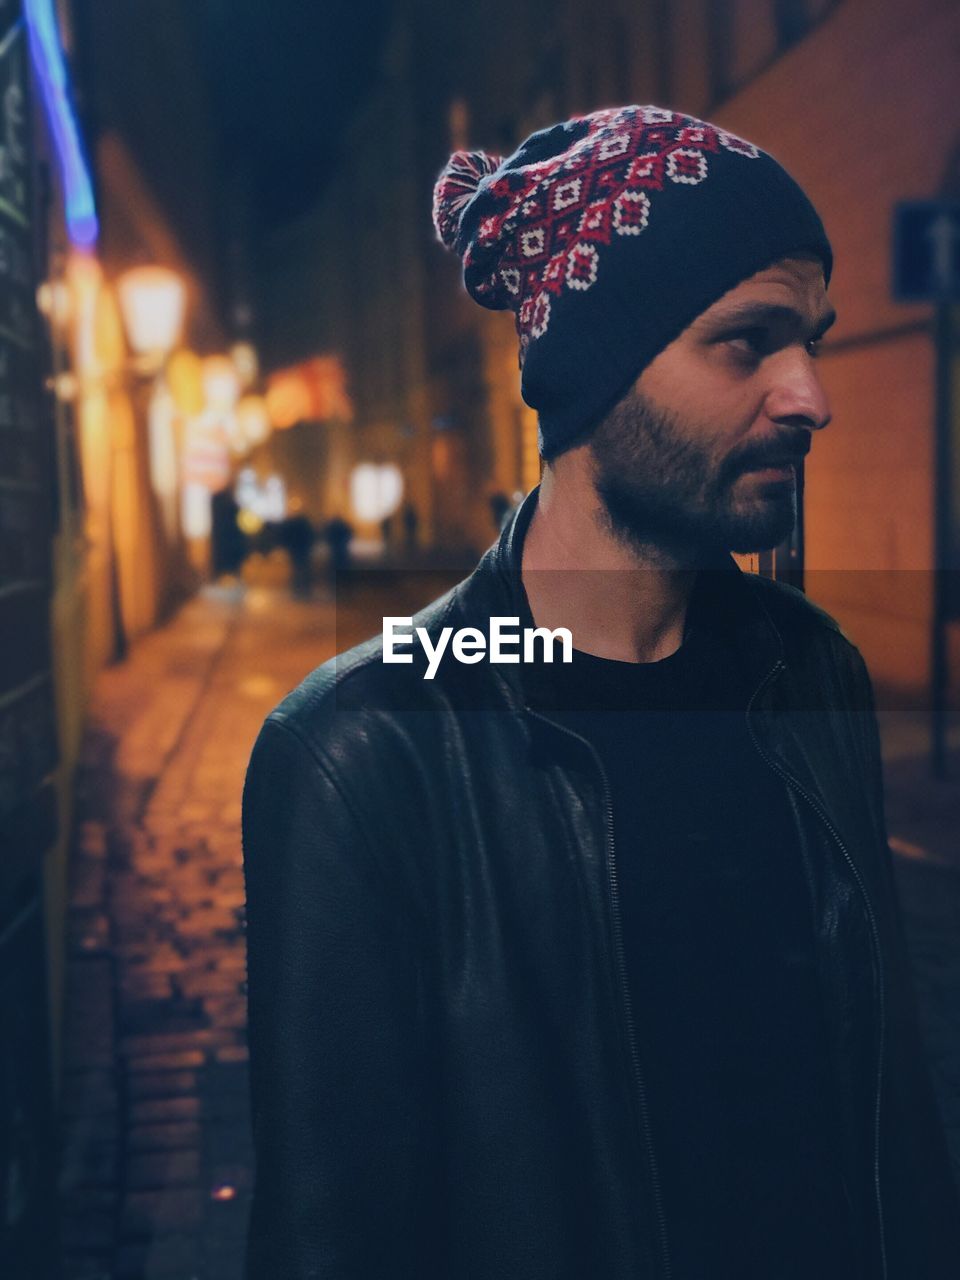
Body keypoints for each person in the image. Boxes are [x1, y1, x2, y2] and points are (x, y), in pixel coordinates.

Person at [241, 106, 959, 1279]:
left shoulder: (810, 669)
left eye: (814, 341)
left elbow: (895, 1119)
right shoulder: (365, 748)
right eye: (749, 342)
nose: (811, 395)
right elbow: (337, 1233)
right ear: (595, 373)